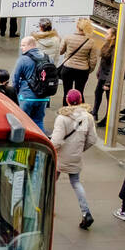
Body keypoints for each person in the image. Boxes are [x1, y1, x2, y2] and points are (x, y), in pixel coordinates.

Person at [52, 89, 99, 229]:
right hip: (76, 156)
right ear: (80, 100)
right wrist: (80, 149)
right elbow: (92, 139)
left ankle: (48, 208)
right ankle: (86, 213)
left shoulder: (62, 118)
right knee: (76, 182)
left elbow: (56, 141)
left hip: (59, 157)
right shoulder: (87, 117)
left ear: (67, 100)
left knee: (51, 182)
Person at [10, 35, 51, 131]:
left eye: (23, 45)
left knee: (23, 121)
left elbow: (15, 79)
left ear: (31, 45)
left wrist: (16, 93)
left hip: (27, 96)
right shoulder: (48, 58)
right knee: (39, 121)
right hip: (43, 97)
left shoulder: (23, 59)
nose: (21, 47)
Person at [58, 20, 97, 102]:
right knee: (80, 92)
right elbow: (93, 60)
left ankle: (66, 112)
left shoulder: (68, 38)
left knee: (67, 93)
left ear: (77, 27)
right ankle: (79, 112)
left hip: (68, 68)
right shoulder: (91, 42)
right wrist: (89, 70)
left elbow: (60, 52)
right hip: (82, 70)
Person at [92, 27, 117, 125]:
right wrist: (99, 70)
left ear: (113, 36)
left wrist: (108, 83)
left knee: (109, 99)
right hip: (103, 75)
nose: (105, 35)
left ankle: (107, 118)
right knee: (97, 93)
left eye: (107, 34)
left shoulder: (114, 49)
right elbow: (103, 60)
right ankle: (95, 112)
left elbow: (113, 67)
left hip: (108, 78)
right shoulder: (107, 45)